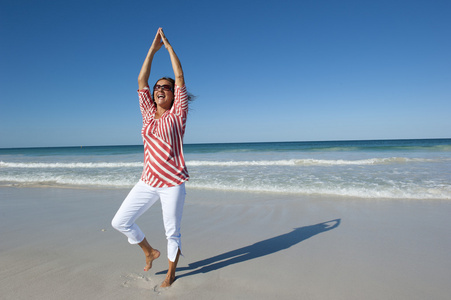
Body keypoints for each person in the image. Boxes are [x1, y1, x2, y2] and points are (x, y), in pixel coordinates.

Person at [112, 27, 190, 288]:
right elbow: (140, 81)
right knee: (120, 221)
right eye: (158, 87)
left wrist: (167, 48)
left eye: (165, 88)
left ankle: (171, 273)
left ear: (173, 94)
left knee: (172, 232)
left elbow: (179, 76)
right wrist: (151, 51)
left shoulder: (177, 114)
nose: (160, 90)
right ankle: (148, 251)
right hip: (147, 180)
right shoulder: (147, 113)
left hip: (172, 182)